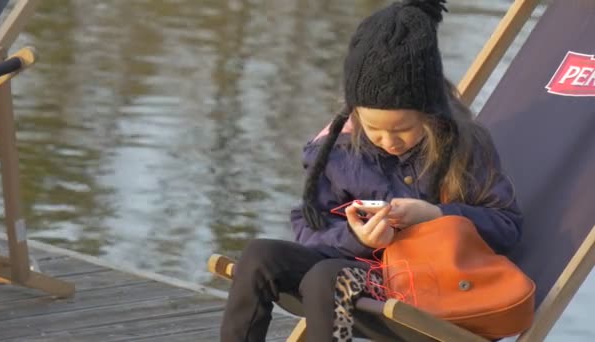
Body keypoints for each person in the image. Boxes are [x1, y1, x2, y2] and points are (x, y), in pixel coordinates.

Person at [219, 0, 522, 341]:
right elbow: (309, 227)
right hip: (354, 265)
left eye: (403, 129)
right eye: (374, 128)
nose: (388, 140)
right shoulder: (339, 150)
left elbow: (507, 227)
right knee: (259, 256)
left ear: (430, 112)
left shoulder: (466, 147)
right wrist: (356, 238)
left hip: (426, 284)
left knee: (327, 279)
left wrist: (436, 215)